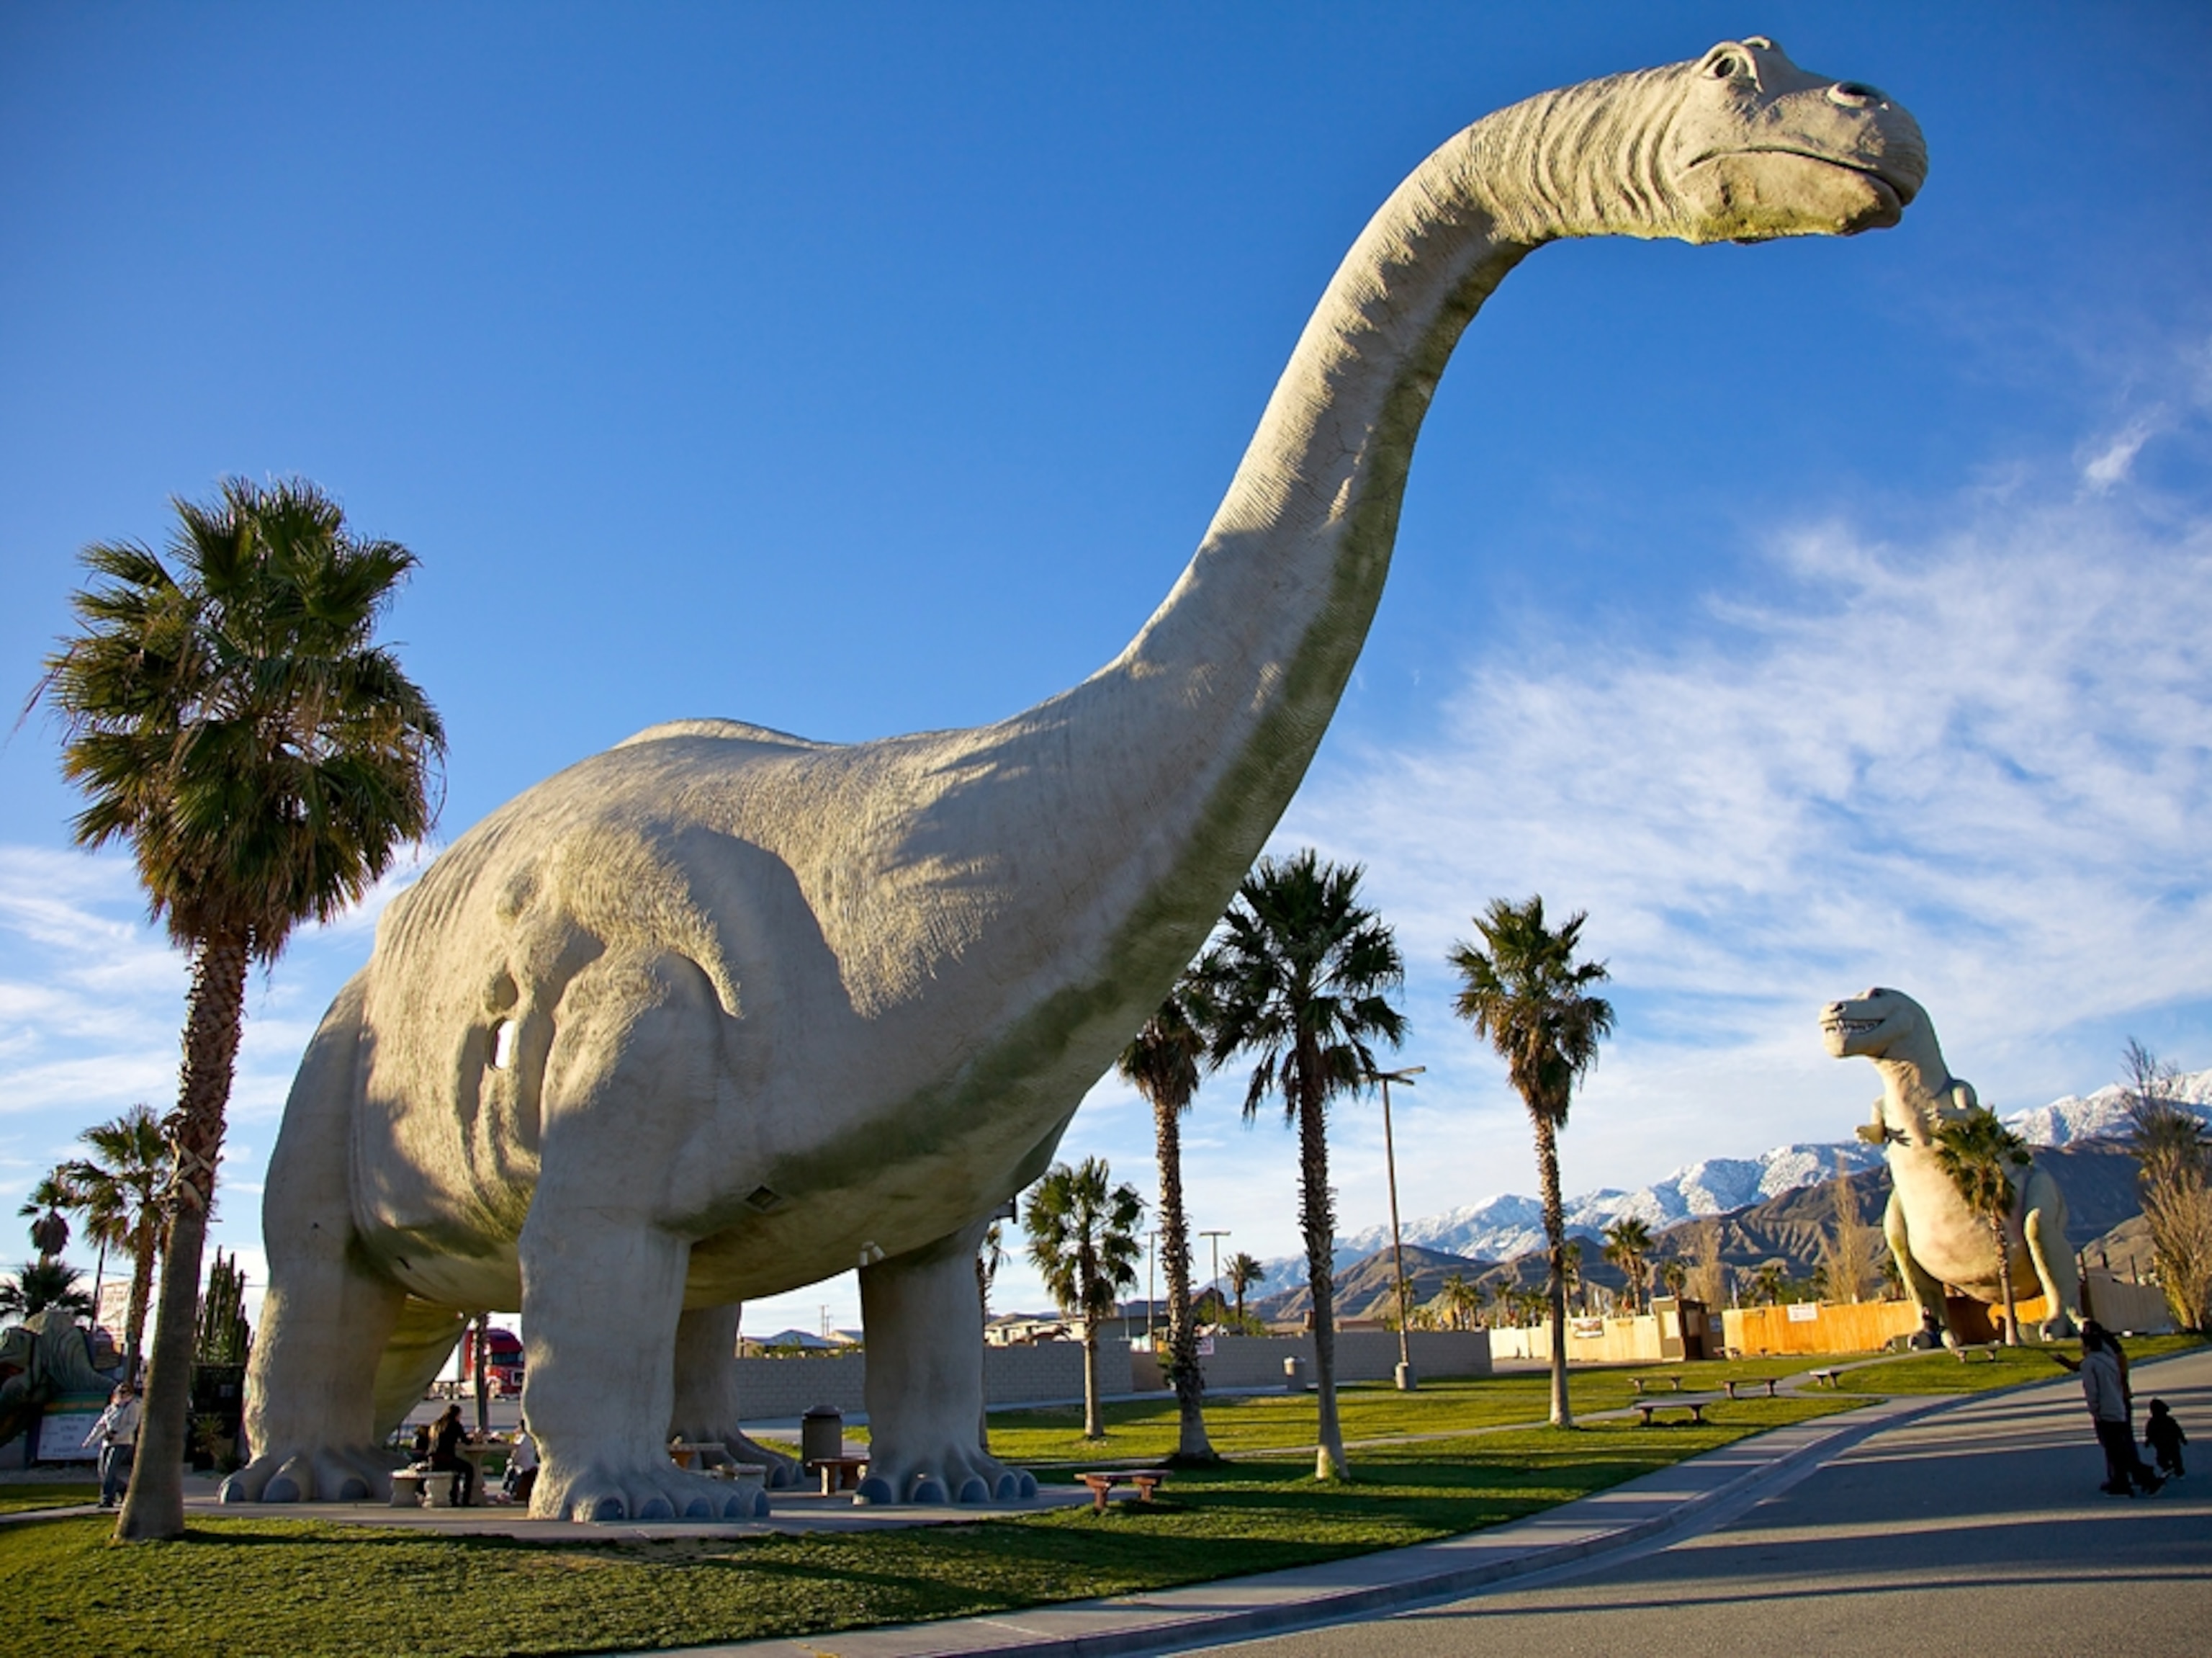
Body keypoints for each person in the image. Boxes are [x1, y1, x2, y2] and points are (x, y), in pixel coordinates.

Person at [2076, 1325, 2162, 1496]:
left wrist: (2095, 1410)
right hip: (2118, 1407)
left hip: (2105, 1411)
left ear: (2088, 1346)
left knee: (2115, 1449)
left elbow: (2092, 1390)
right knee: (2119, 1447)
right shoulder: (2110, 1360)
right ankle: (2123, 1481)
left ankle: (2145, 1477)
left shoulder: (2090, 1364)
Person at [82, 1383, 140, 1508]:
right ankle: (123, 1490)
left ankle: (107, 1499)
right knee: (102, 1471)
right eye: (120, 1392)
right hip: (107, 1442)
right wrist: (90, 1441)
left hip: (122, 1442)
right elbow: (101, 1425)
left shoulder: (133, 1406)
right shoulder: (111, 1408)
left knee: (110, 1470)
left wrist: (117, 1436)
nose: (122, 1395)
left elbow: (132, 1425)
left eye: (125, 1393)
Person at [429, 1402, 476, 1505]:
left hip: (433, 1459)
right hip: (446, 1459)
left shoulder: (436, 1425)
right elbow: (466, 1442)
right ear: (457, 1415)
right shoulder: (455, 1425)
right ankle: (465, 1500)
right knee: (469, 1469)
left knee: (457, 1470)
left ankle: (454, 1498)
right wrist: (474, 1436)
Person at [2144, 1398, 2188, 1478]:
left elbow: (2177, 1430)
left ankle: (2177, 1471)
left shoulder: (2167, 1420)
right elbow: (2150, 1433)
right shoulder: (2154, 1422)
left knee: (2173, 1459)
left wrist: (2182, 1438)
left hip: (2170, 1444)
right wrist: (2148, 1441)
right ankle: (2171, 1469)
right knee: (2164, 1459)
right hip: (2163, 1445)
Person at [503, 1420, 539, 1505]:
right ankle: (508, 1491)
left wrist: (511, 1461)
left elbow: (518, 1453)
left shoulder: (524, 1438)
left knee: (512, 1470)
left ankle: (509, 1492)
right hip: (527, 1463)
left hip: (525, 1465)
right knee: (511, 1469)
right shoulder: (527, 1437)